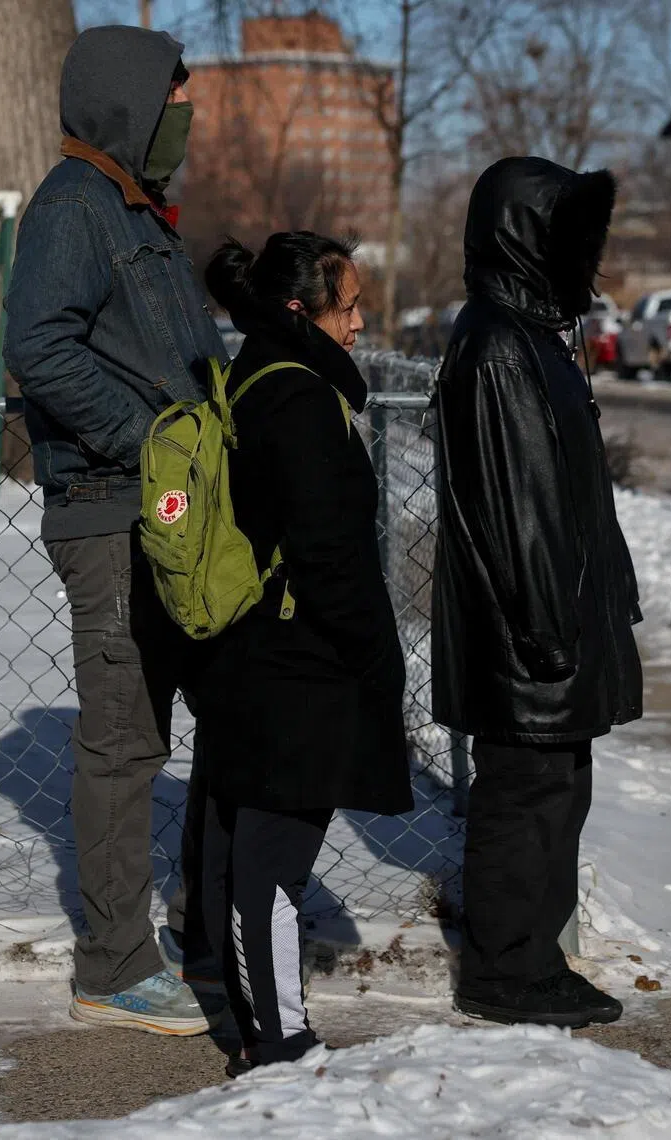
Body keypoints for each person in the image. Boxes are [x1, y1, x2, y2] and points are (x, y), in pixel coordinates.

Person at [2, 25, 227, 1035]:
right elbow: (39, 350)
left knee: (205, 721)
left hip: (174, 520)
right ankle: (114, 962)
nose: (187, 114)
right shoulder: (72, 209)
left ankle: (210, 929)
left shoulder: (137, 212)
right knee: (125, 743)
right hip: (110, 512)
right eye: (175, 98)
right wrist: (152, 444)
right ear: (129, 104)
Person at [431, 156, 644, 1028]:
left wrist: (608, 600)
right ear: (526, 239)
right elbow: (521, 512)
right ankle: (504, 971)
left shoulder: (528, 338)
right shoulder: (496, 348)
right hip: (529, 640)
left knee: (556, 793)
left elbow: (576, 499)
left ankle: (531, 959)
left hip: (555, 632)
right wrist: (552, 634)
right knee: (524, 798)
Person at [195, 232, 414, 1075]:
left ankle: (261, 1020)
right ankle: (276, 1041)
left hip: (261, 650)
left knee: (248, 843)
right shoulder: (295, 399)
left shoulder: (264, 372)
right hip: (295, 658)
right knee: (272, 863)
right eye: (349, 304)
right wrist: (374, 662)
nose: (361, 322)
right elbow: (328, 553)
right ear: (301, 310)